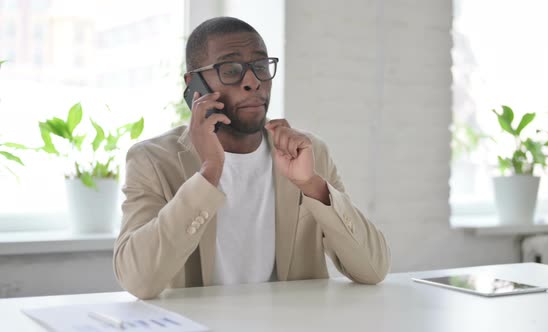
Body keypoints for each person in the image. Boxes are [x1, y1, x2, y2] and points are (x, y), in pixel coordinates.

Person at [113, 17, 390, 300]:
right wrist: (209, 172)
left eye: (260, 67)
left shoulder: (308, 152)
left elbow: (373, 269)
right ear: (194, 83)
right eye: (231, 69)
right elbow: (138, 281)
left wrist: (312, 186)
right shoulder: (153, 160)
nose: (253, 82)